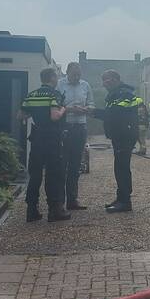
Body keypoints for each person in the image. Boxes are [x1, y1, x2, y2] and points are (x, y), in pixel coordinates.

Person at [20, 68, 71, 223]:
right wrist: (64, 109)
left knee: (35, 174)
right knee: (53, 173)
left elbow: (21, 115)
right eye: (56, 76)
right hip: (52, 138)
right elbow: (55, 116)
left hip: (36, 138)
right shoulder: (54, 95)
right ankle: (54, 211)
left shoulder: (31, 95)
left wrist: (36, 113)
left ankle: (32, 210)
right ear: (52, 78)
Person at [100, 70, 142, 213]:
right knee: (119, 167)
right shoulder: (116, 94)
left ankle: (125, 202)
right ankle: (121, 198)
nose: (105, 83)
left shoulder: (124, 93)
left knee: (122, 168)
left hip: (124, 136)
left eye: (108, 80)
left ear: (117, 79)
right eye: (103, 80)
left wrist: (92, 112)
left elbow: (114, 113)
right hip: (120, 136)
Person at [57, 62, 93, 210]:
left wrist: (86, 109)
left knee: (75, 164)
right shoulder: (59, 85)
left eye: (79, 74)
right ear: (67, 72)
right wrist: (69, 109)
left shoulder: (85, 85)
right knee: (61, 164)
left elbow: (92, 104)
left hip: (80, 127)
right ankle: (59, 201)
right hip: (64, 127)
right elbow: (54, 105)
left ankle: (72, 200)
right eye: (74, 74)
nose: (77, 77)